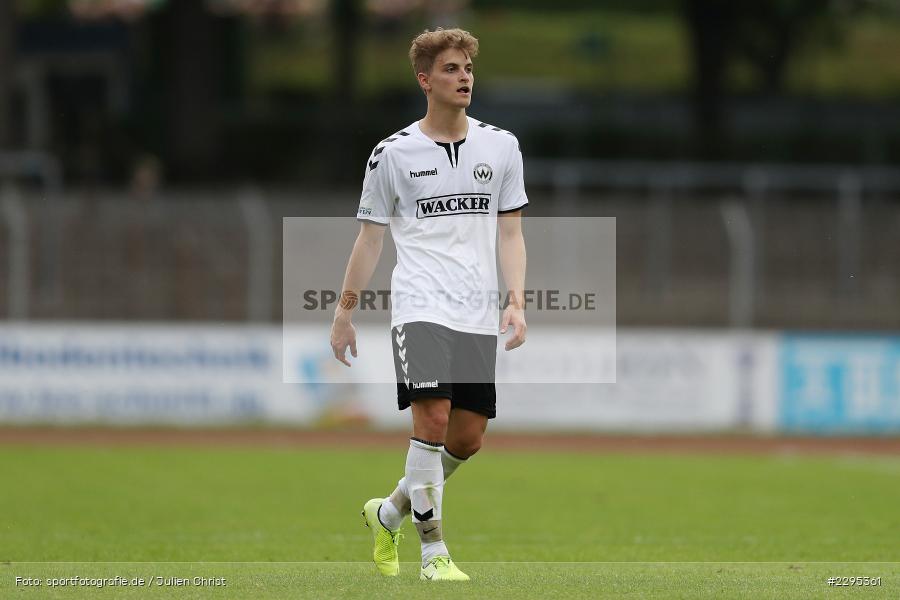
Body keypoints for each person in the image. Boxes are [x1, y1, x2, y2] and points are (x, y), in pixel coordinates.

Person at [330, 27, 528, 582]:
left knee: (467, 439)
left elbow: (511, 233)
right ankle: (433, 555)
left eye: (468, 68)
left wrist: (515, 302)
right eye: (451, 69)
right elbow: (369, 240)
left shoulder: (502, 146)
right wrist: (344, 312)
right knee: (433, 419)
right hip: (419, 305)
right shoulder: (392, 154)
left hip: (475, 312)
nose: (464, 77)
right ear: (425, 80)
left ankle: (388, 512)